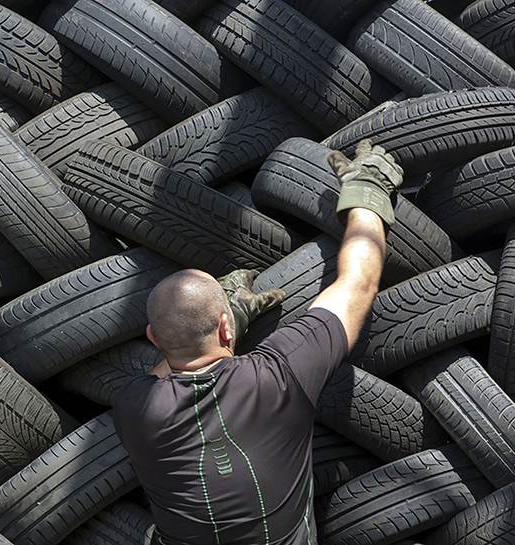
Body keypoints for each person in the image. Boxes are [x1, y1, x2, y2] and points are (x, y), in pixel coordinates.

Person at [111, 140, 404, 544]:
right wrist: (367, 191)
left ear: (152, 339)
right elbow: (358, 283)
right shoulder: (280, 373)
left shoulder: (131, 407)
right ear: (227, 330)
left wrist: (227, 316)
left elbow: (165, 370)